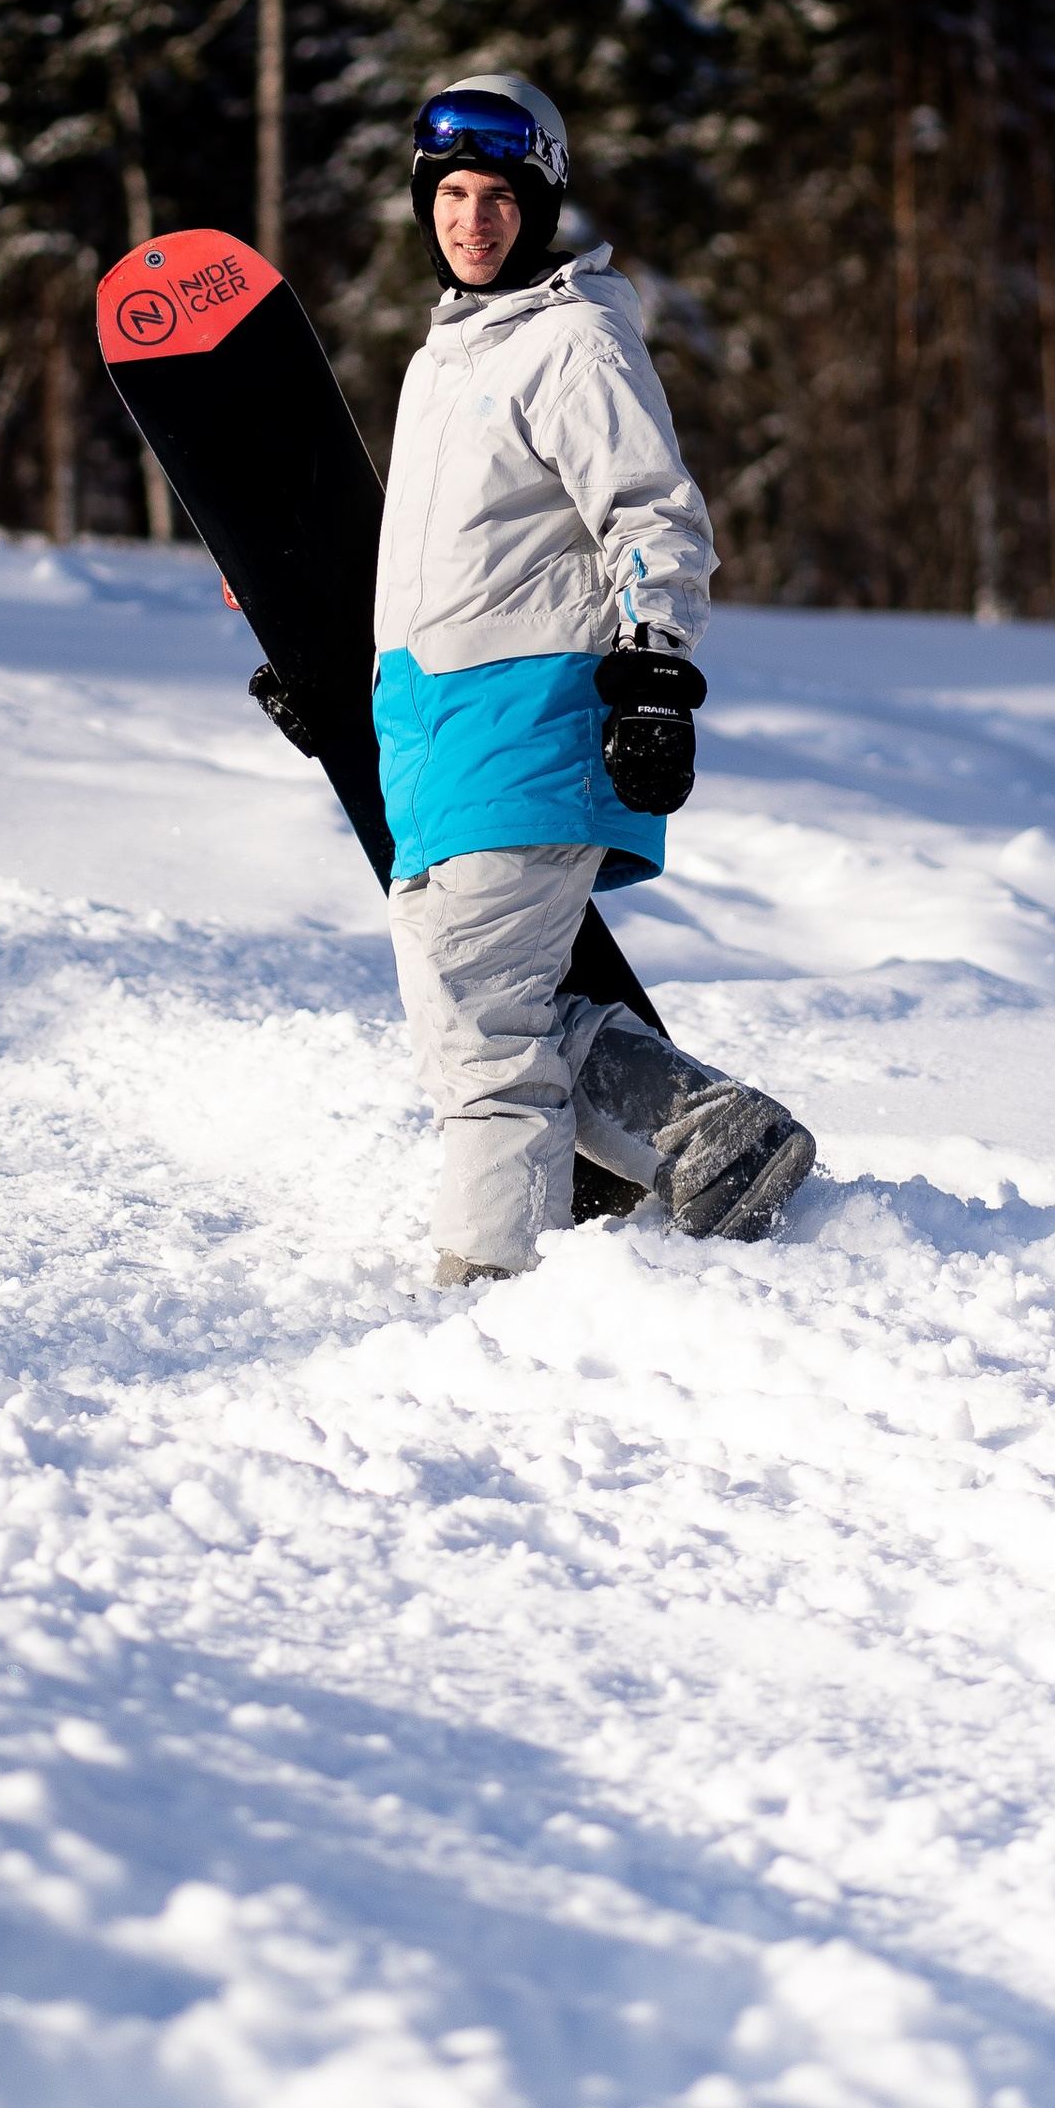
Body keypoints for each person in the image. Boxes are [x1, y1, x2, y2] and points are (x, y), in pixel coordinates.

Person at [374, 71, 814, 1282]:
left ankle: (490, 1285)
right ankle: (701, 1132)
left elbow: (654, 518)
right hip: (434, 725)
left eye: (499, 197)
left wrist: (656, 674)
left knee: (479, 1030)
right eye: (451, 195)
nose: (471, 220)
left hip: (531, 712)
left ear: (542, 203)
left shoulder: (572, 338)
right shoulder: (445, 358)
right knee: (475, 1006)